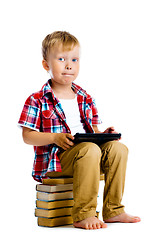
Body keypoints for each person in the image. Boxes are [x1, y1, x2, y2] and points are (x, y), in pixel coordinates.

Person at [18, 31, 141, 230]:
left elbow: (93, 131)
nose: (69, 65)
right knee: (89, 149)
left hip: (88, 154)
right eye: (61, 59)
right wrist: (54, 137)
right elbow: (27, 136)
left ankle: (114, 209)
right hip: (58, 160)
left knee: (119, 149)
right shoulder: (37, 99)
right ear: (46, 65)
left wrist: (103, 136)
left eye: (74, 59)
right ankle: (84, 214)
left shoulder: (85, 97)